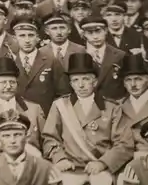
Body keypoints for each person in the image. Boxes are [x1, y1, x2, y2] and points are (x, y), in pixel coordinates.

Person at [42, 53, 134, 185]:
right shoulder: (60, 106)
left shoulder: (112, 107)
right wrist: (60, 159)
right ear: (71, 84)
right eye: (75, 80)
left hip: (101, 168)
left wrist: (103, 163)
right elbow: (50, 138)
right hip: (71, 167)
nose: (80, 85)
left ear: (95, 82)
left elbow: (124, 143)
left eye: (85, 79)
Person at [0, 110, 60, 185]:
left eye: (17, 135)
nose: (12, 140)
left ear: (27, 136)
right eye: (6, 136)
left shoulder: (45, 169)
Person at [11, 15, 69, 114]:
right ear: (14, 38)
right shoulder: (10, 61)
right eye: (22, 35)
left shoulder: (51, 61)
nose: (27, 40)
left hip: (45, 117)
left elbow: (63, 94)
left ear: (38, 38)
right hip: (18, 117)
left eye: (31, 35)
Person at [115, 55, 148, 185]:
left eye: (138, 79)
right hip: (123, 160)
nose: (133, 84)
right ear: (123, 83)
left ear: (147, 79)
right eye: (128, 80)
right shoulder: (117, 107)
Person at [80, 16, 127, 99]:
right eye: (90, 32)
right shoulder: (78, 55)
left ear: (106, 31)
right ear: (84, 34)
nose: (95, 37)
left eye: (98, 31)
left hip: (114, 105)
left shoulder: (120, 55)